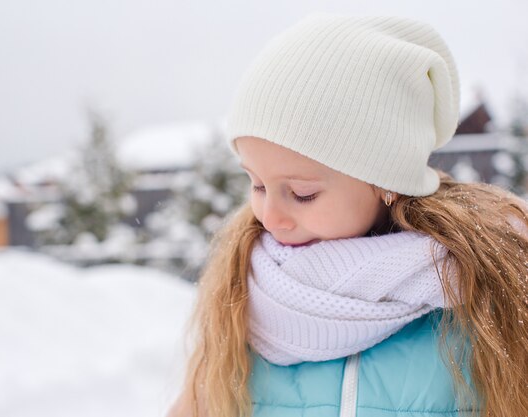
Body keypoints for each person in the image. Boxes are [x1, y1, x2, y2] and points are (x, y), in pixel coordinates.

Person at [167, 13, 528, 417]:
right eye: (257, 184)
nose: (270, 216)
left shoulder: (484, 293)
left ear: (385, 180)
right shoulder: (242, 296)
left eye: (302, 194)